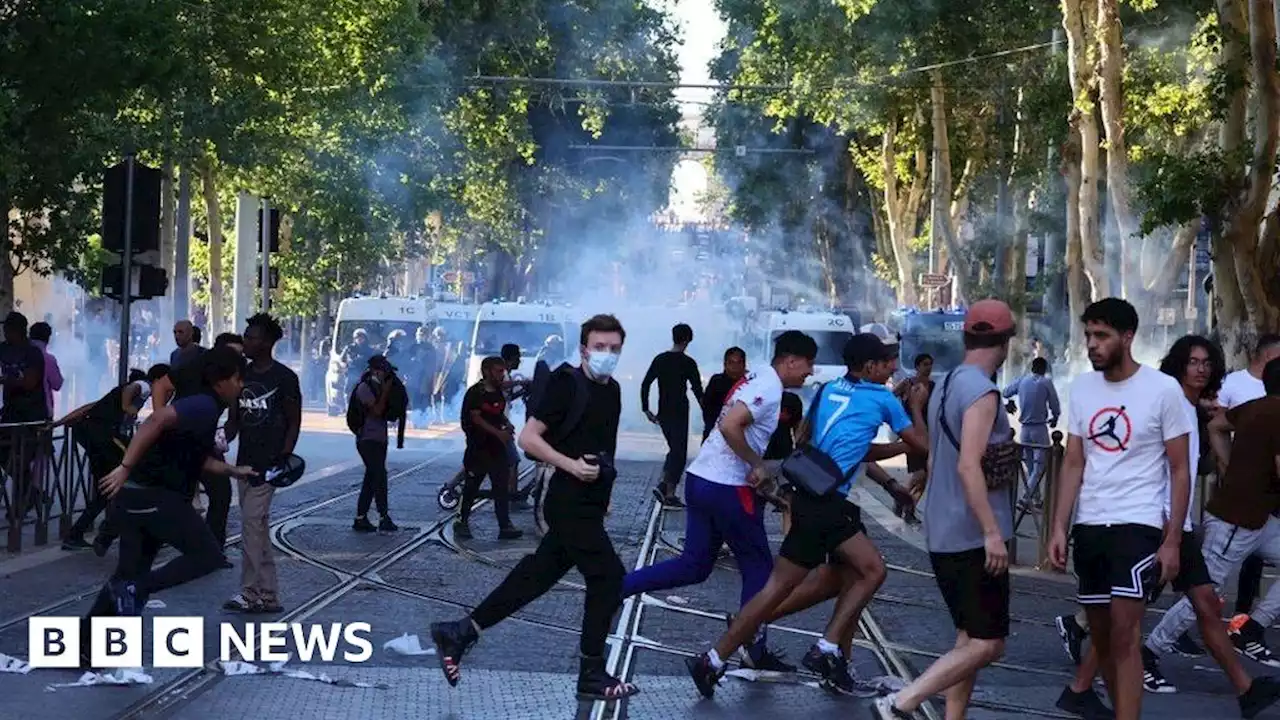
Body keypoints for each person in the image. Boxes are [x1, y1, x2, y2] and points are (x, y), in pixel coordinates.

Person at [687, 331, 926, 699]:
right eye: (885, 361)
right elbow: (921, 444)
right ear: (869, 366)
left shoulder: (830, 390)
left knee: (811, 582)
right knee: (872, 570)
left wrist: (889, 483)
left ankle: (714, 659)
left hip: (809, 495)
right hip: (830, 503)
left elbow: (836, 445)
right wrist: (918, 409)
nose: (892, 367)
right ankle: (827, 649)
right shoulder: (882, 398)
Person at [1057, 336, 1280, 720]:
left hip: (1177, 527)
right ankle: (1081, 687)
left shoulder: (1191, 409)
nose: (1201, 369)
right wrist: (1167, 533)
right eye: (1193, 361)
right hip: (1157, 527)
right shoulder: (1165, 403)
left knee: (1205, 606)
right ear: (1178, 365)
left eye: (1206, 363)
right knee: (1126, 618)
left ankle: (1246, 691)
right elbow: (1154, 466)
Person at [430, 314, 639, 700]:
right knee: (608, 577)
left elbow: (602, 446)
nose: (607, 355)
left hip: (589, 503)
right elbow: (529, 439)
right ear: (584, 349)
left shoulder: (612, 392)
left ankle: (459, 632)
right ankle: (591, 672)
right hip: (567, 501)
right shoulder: (566, 383)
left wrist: (606, 485)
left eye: (613, 348)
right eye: (599, 347)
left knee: (534, 578)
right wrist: (571, 465)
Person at [623, 331, 818, 676]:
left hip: (701, 479)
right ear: (790, 360)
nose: (811, 371)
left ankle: (616, 589)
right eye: (808, 363)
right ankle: (753, 647)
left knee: (694, 565)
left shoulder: (755, 375)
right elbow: (730, 425)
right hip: (727, 488)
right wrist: (756, 463)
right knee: (759, 569)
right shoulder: (769, 388)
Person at [1044, 298, 1192, 720]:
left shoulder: (1163, 390)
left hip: (1138, 525)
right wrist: (1059, 526)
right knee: (1104, 639)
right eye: (1089, 335)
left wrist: (1172, 541)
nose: (1092, 344)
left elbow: (1180, 470)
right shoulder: (1084, 388)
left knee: (1126, 634)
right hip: (1090, 526)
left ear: (1127, 338)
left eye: (1102, 336)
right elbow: (1074, 461)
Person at [875, 299, 1020, 719]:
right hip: (971, 535)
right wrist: (993, 533)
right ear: (1006, 340)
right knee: (989, 643)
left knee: (968, 638)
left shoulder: (949, 382)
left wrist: (917, 488)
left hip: (944, 530)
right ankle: (900, 703)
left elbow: (939, 459)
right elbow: (968, 463)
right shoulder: (982, 391)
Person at [79, 347, 255, 667]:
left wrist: (231, 470)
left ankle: (85, 645)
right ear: (220, 382)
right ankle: (130, 593)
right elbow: (156, 420)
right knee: (207, 555)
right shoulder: (203, 405)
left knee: (128, 574)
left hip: (137, 498)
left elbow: (191, 455)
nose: (241, 386)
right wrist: (125, 467)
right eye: (237, 379)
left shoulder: (204, 405)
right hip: (153, 496)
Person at [224, 314, 301, 614]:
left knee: (251, 525)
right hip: (244, 463)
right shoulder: (240, 374)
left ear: (267, 342)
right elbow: (234, 420)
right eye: (245, 335)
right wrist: (220, 440)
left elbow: (294, 421)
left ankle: (249, 592)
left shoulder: (284, 378)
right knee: (257, 528)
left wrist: (284, 457)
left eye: (252, 336)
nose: (246, 341)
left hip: (269, 465)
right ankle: (269, 595)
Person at [57, 365, 168, 553]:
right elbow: (132, 389)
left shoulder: (118, 393)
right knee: (132, 475)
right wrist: (127, 407)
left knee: (106, 489)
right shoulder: (145, 386)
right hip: (104, 435)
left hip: (90, 435)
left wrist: (58, 423)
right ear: (160, 380)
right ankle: (117, 531)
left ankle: (77, 534)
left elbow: (89, 407)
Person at [1216, 334, 1280, 623]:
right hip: (1238, 510)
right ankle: (1153, 647)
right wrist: (1230, 467)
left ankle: (1250, 625)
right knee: (1204, 588)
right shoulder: (1261, 404)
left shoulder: (1257, 406)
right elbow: (1216, 424)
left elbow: (1216, 425)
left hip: (1259, 509)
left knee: (1206, 583)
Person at [455, 356, 522, 541]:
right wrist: (497, 433)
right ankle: (461, 521)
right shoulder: (476, 393)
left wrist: (507, 425)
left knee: (501, 487)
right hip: (478, 449)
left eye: (503, 371)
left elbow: (498, 414)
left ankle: (505, 525)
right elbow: (476, 418)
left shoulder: (498, 392)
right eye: (498, 371)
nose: (502, 375)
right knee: (471, 486)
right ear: (486, 371)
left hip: (497, 449)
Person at [641, 323, 705, 506]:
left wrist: (646, 408)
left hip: (664, 412)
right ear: (687, 340)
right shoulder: (688, 363)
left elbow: (646, 383)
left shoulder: (660, 359)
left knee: (674, 449)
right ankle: (667, 491)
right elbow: (698, 391)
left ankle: (665, 486)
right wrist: (708, 413)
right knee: (679, 452)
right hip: (680, 411)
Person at [1003, 356, 1061, 508]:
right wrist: (1055, 417)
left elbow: (1006, 392)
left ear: (1032, 368)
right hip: (1039, 429)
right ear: (1044, 369)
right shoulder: (1046, 382)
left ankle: (1036, 499)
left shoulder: (1022, 380)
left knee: (1030, 466)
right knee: (1039, 466)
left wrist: (1010, 402)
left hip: (1025, 430)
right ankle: (1025, 498)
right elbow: (1054, 403)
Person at [351, 354, 399, 532]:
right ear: (374, 370)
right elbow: (377, 411)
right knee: (379, 476)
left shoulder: (378, 387)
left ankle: (360, 518)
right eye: (382, 371)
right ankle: (383, 516)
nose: (384, 375)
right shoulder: (364, 388)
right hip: (367, 439)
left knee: (371, 478)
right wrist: (386, 391)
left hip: (379, 439)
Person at [701, 347, 747, 442]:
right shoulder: (716, 381)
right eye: (731, 363)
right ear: (725, 364)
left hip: (742, 435)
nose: (735, 367)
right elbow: (706, 406)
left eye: (739, 363)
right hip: (715, 433)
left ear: (744, 365)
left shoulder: (750, 383)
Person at [29, 321, 63, 419]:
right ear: (48, 338)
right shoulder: (48, 359)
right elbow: (57, 384)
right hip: (42, 411)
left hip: (17, 412)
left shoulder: (20, 354)